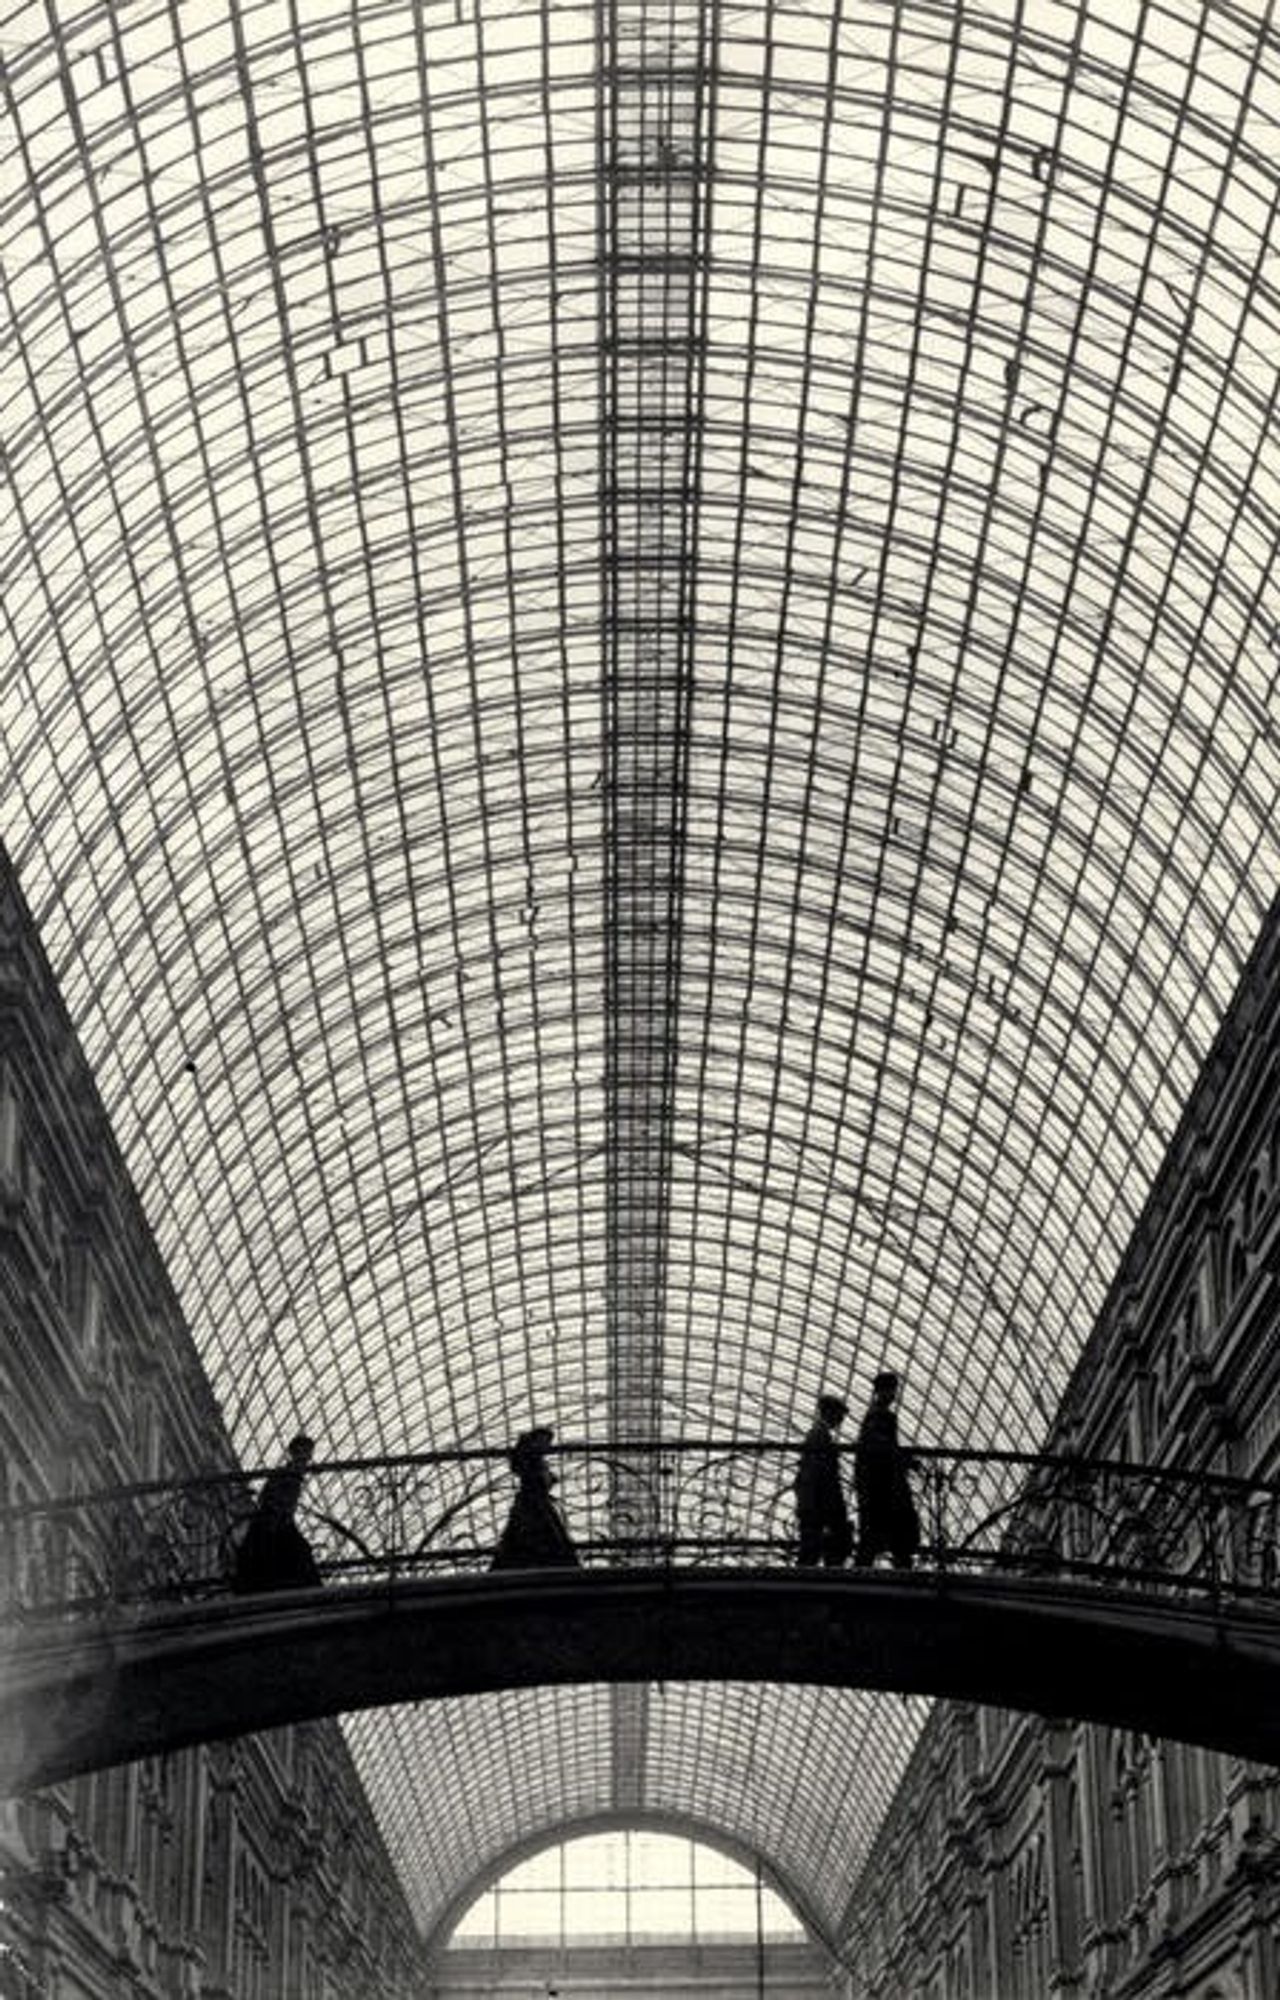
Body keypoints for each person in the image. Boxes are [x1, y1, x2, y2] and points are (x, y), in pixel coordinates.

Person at [232, 1434, 323, 1592]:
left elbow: (268, 1497)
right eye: (304, 1452)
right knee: (296, 1554)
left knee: (292, 1554)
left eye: (308, 1453)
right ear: (294, 1452)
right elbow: (267, 1498)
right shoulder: (286, 1474)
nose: (307, 1457)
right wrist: (279, 1510)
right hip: (274, 1523)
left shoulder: (292, 1474)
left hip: (277, 1522)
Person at [854, 1373, 920, 1569]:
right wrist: (904, 1460)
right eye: (891, 1389)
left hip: (878, 1488)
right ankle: (903, 1574)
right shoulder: (880, 1416)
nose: (893, 1394)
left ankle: (862, 1572)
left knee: (874, 1536)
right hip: (885, 1488)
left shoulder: (873, 1416)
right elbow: (883, 1448)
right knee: (897, 1534)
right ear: (882, 1391)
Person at [490, 1426, 579, 1569]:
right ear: (535, 1441)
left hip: (534, 1504)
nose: (548, 1446)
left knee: (529, 1534)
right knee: (543, 1534)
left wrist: (549, 1478)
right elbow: (535, 1479)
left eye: (548, 1442)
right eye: (545, 1441)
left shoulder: (536, 1461)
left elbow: (537, 1479)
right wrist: (547, 1478)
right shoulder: (530, 1460)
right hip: (534, 1505)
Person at [794, 1394, 852, 1567]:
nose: (842, 1418)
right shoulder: (820, 1435)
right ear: (829, 1412)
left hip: (815, 1502)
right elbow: (817, 1473)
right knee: (812, 1550)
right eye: (840, 1414)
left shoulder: (818, 1433)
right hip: (818, 1503)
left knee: (811, 1549)